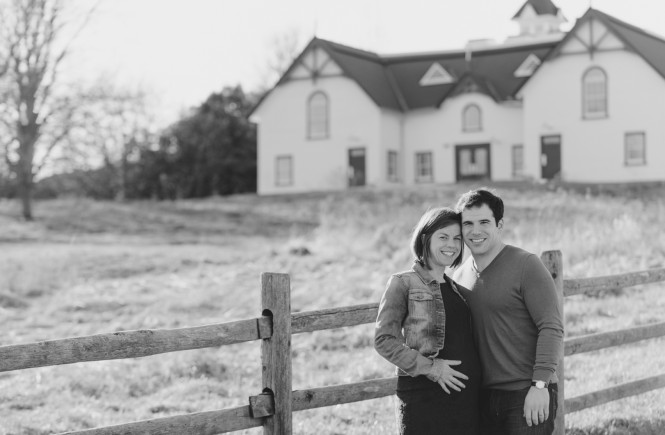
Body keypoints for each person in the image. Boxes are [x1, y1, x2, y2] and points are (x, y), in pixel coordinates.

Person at [452, 188, 563, 435]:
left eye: (484, 222)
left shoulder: (526, 265)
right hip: (483, 397)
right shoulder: (459, 277)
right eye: (467, 223)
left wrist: (540, 385)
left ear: (499, 224)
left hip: (527, 393)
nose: (475, 230)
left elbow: (551, 327)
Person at [375, 207, 481, 435]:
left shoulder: (458, 289)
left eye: (457, 239)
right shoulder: (403, 283)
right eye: (443, 237)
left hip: (465, 402)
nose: (451, 245)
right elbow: (384, 341)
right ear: (425, 238)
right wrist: (433, 368)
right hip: (424, 398)